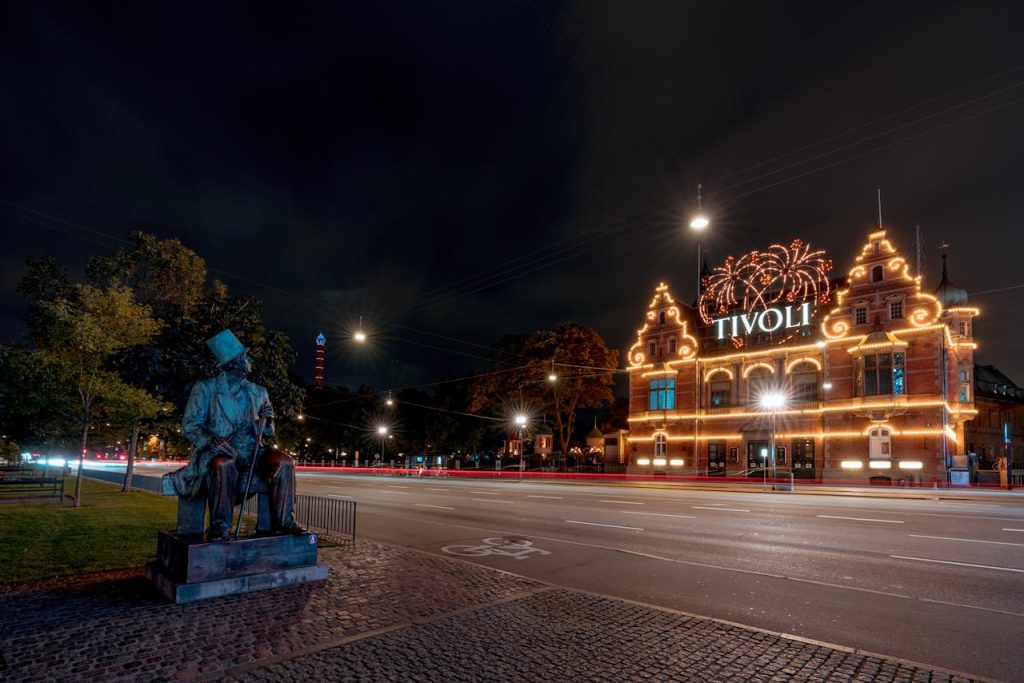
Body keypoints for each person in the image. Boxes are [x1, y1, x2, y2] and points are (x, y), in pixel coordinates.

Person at [168, 329, 305, 541]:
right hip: (220, 451)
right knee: (223, 465)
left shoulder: (259, 391)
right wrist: (211, 441)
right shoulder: (206, 389)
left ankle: (285, 522)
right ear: (233, 363)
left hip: (253, 451)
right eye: (245, 357)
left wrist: (267, 420)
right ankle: (220, 528)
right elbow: (190, 425)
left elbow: (268, 432)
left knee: (285, 462)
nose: (249, 360)